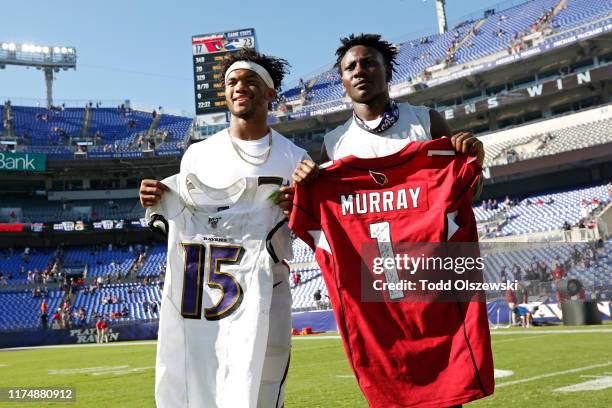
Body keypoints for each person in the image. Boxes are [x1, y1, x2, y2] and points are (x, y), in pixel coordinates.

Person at [290, 34, 492, 407]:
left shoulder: (426, 120)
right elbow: (318, 219)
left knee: (447, 389)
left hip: (432, 274)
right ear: (343, 80)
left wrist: (473, 162)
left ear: (387, 71)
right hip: (376, 285)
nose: (360, 71)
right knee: (391, 387)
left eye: (369, 63)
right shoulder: (334, 143)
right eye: (350, 67)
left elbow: (464, 196)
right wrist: (304, 184)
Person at [139, 48, 308, 408]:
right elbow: (172, 209)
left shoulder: (296, 158)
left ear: (270, 92)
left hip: (268, 295)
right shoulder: (198, 155)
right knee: (203, 392)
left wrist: (301, 210)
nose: (239, 87)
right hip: (204, 304)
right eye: (232, 81)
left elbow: (313, 228)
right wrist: (155, 198)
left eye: (250, 81)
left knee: (262, 394)